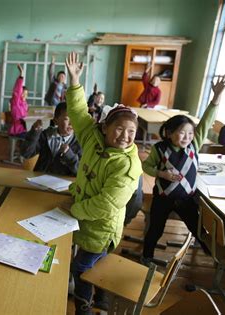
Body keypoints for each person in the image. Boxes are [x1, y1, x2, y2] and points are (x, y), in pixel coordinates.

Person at [64, 52, 143, 314]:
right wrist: (75, 81)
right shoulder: (92, 137)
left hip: (100, 228)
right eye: (120, 129)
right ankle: (102, 299)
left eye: (131, 132)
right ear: (106, 128)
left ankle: (84, 307)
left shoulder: (127, 165)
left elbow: (107, 205)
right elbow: (77, 111)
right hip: (85, 218)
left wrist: (75, 209)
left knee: (81, 268)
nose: (125, 136)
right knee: (95, 264)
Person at [141, 76, 225, 265]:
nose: (187, 137)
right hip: (163, 198)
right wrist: (161, 174)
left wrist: (216, 98)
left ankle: (215, 258)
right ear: (169, 132)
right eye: (182, 132)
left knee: (198, 229)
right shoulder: (160, 149)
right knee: (156, 229)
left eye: (190, 133)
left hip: (187, 199)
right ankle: (146, 256)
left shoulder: (194, 146)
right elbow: (146, 166)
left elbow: (206, 122)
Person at [20, 102, 81, 176]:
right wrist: (34, 132)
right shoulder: (46, 136)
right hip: (39, 180)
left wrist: (69, 155)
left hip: (63, 184)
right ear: (55, 120)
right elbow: (26, 153)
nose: (71, 123)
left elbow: (81, 171)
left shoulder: (79, 143)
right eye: (66, 119)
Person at [8, 64, 29, 137]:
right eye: (23, 93)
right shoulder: (16, 101)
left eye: (26, 94)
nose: (24, 96)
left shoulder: (25, 104)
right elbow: (17, 90)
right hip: (17, 130)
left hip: (24, 128)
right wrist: (21, 75)